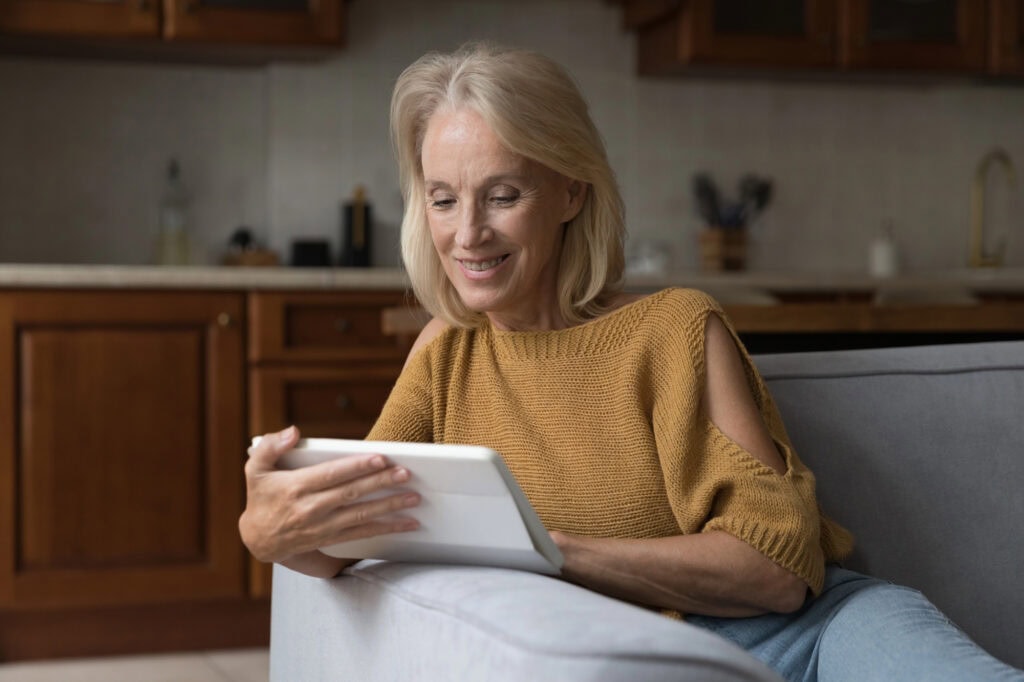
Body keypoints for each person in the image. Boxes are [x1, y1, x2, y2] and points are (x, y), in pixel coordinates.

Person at [240, 43, 1023, 681]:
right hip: (659, 663)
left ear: (572, 192)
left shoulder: (677, 328)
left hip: (817, 635)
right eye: (444, 199)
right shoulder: (446, 352)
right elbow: (360, 534)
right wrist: (268, 527)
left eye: (502, 194)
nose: (467, 234)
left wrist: (543, 547)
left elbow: (777, 569)